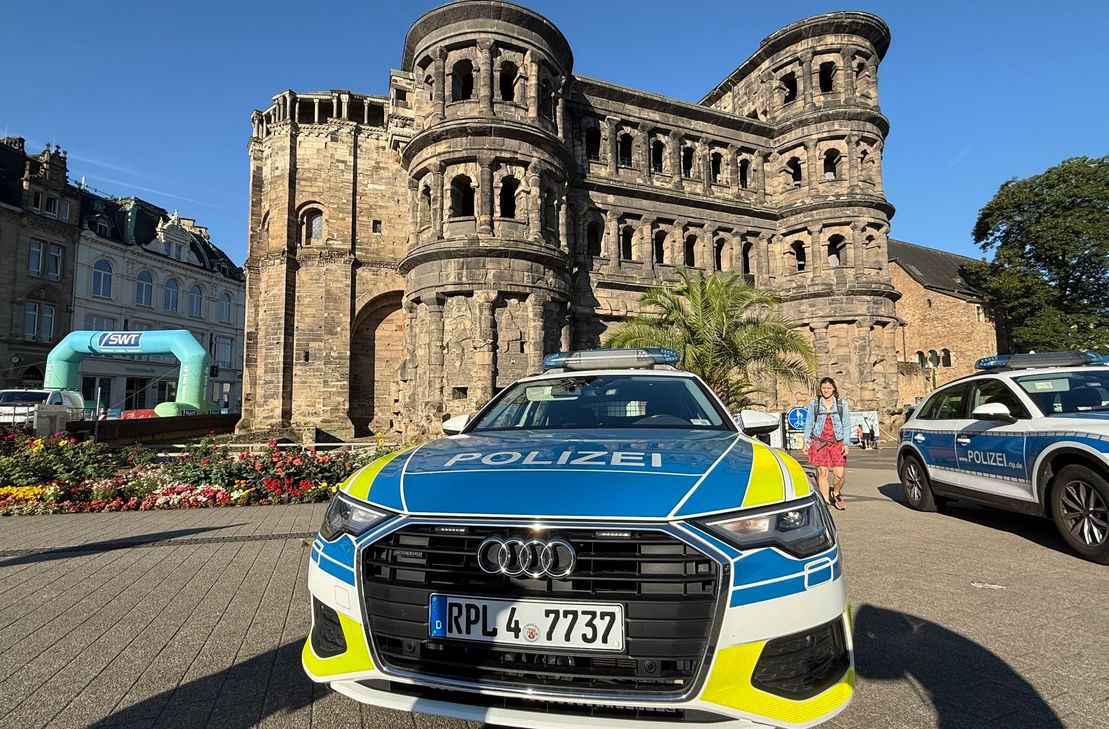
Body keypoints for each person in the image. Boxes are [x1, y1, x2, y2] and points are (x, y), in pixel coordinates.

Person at [803, 377, 850, 510]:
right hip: (819, 442)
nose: (826, 390)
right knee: (822, 473)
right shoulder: (815, 404)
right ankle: (826, 501)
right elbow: (809, 423)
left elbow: (846, 424)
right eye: (823, 388)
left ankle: (836, 493)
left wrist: (846, 443)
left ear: (833, 389)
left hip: (837, 442)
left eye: (829, 388)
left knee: (839, 475)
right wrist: (806, 442)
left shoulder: (841, 404)